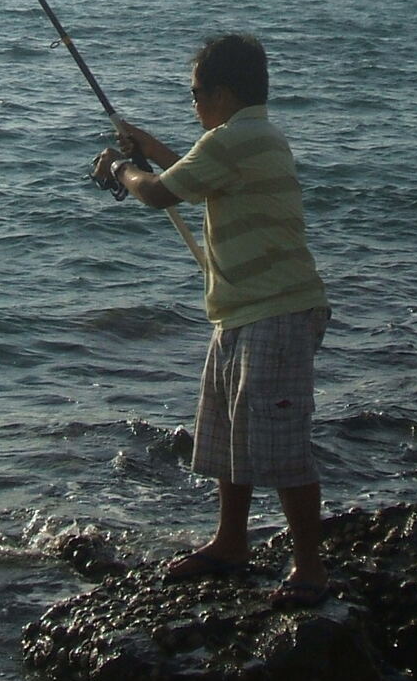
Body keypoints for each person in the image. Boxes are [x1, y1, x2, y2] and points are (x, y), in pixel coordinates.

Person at [92, 33, 332, 608]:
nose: (193, 104)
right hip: (242, 310)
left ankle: (311, 567)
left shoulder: (234, 141)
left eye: (196, 93)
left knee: (281, 438)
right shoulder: (248, 139)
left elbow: (155, 192)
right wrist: (149, 146)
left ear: (221, 94)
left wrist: (123, 167)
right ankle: (230, 542)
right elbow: (195, 179)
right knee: (228, 434)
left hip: (275, 310)